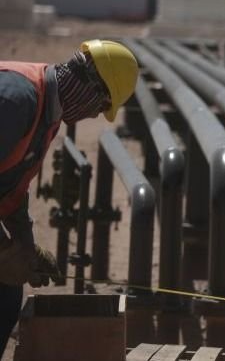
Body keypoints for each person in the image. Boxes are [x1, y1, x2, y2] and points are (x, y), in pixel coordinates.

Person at [0, 39, 138, 352]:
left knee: (7, 293)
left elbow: (12, 185)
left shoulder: (45, 115)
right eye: (102, 105)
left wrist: (25, 245)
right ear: (89, 85)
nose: (95, 115)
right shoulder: (17, 100)